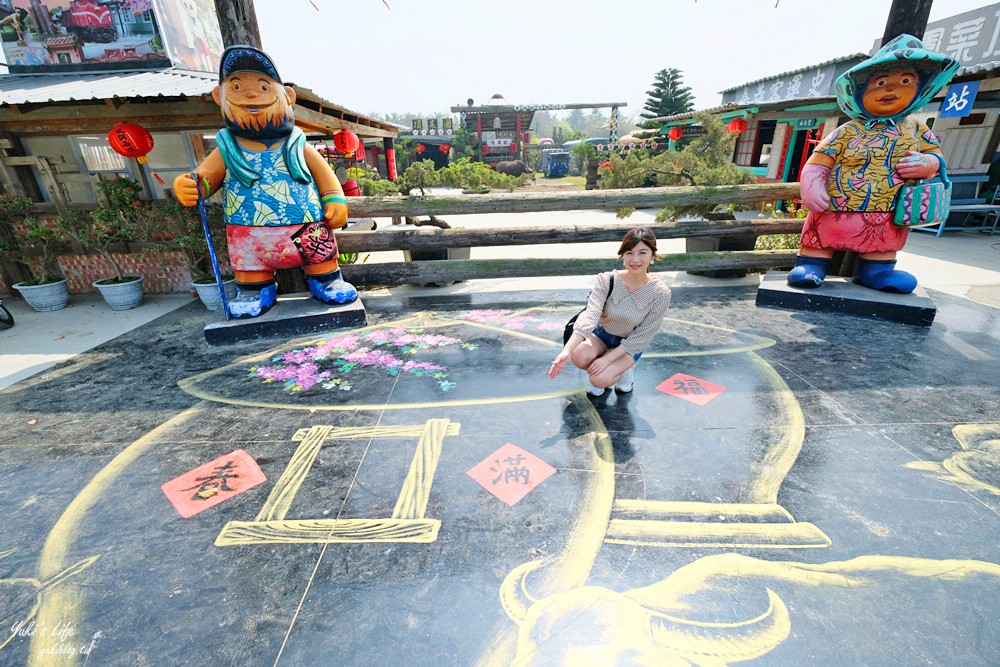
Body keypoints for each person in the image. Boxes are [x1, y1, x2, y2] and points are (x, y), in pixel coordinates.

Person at [172, 45, 356, 319]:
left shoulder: (297, 142)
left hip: (308, 228)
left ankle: (327, 280)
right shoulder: (226, 147)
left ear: (288, 96)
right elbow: (204, 179)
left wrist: (334, 198)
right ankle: (254, 290)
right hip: (249, 235)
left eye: (263, 86)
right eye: (236, 86)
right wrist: (188, 186)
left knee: (321, 258)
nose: (250, 93)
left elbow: (323, 172)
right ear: (218, 97)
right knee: (250, 270)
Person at [789, 34, 958, 294]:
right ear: (861, 90)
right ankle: (812, 264)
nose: (891, 89)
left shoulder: (916, 129)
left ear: (920, 88)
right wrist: (811, 185)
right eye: (881, 82)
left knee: (882, 243)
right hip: (836, 204)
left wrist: (927, 162)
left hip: (889, 208)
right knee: (820, 237)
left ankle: (877, 271)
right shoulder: (848, 130)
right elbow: (820, 160)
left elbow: (937, 158)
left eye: (904, 81)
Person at [548, 227, 672, 396]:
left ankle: (626, 369)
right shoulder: (607, 280)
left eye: (642, 252)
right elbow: (590, 315)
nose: (635, 259)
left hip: (630, 345)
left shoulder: (661, 292)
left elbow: (644, 336)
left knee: (599, 379)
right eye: (629, 253)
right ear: (622, 255)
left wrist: (606, 360)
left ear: (652, 255)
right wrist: (566, 351)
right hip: (603, 335)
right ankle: (611, 368)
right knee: (579, 355)